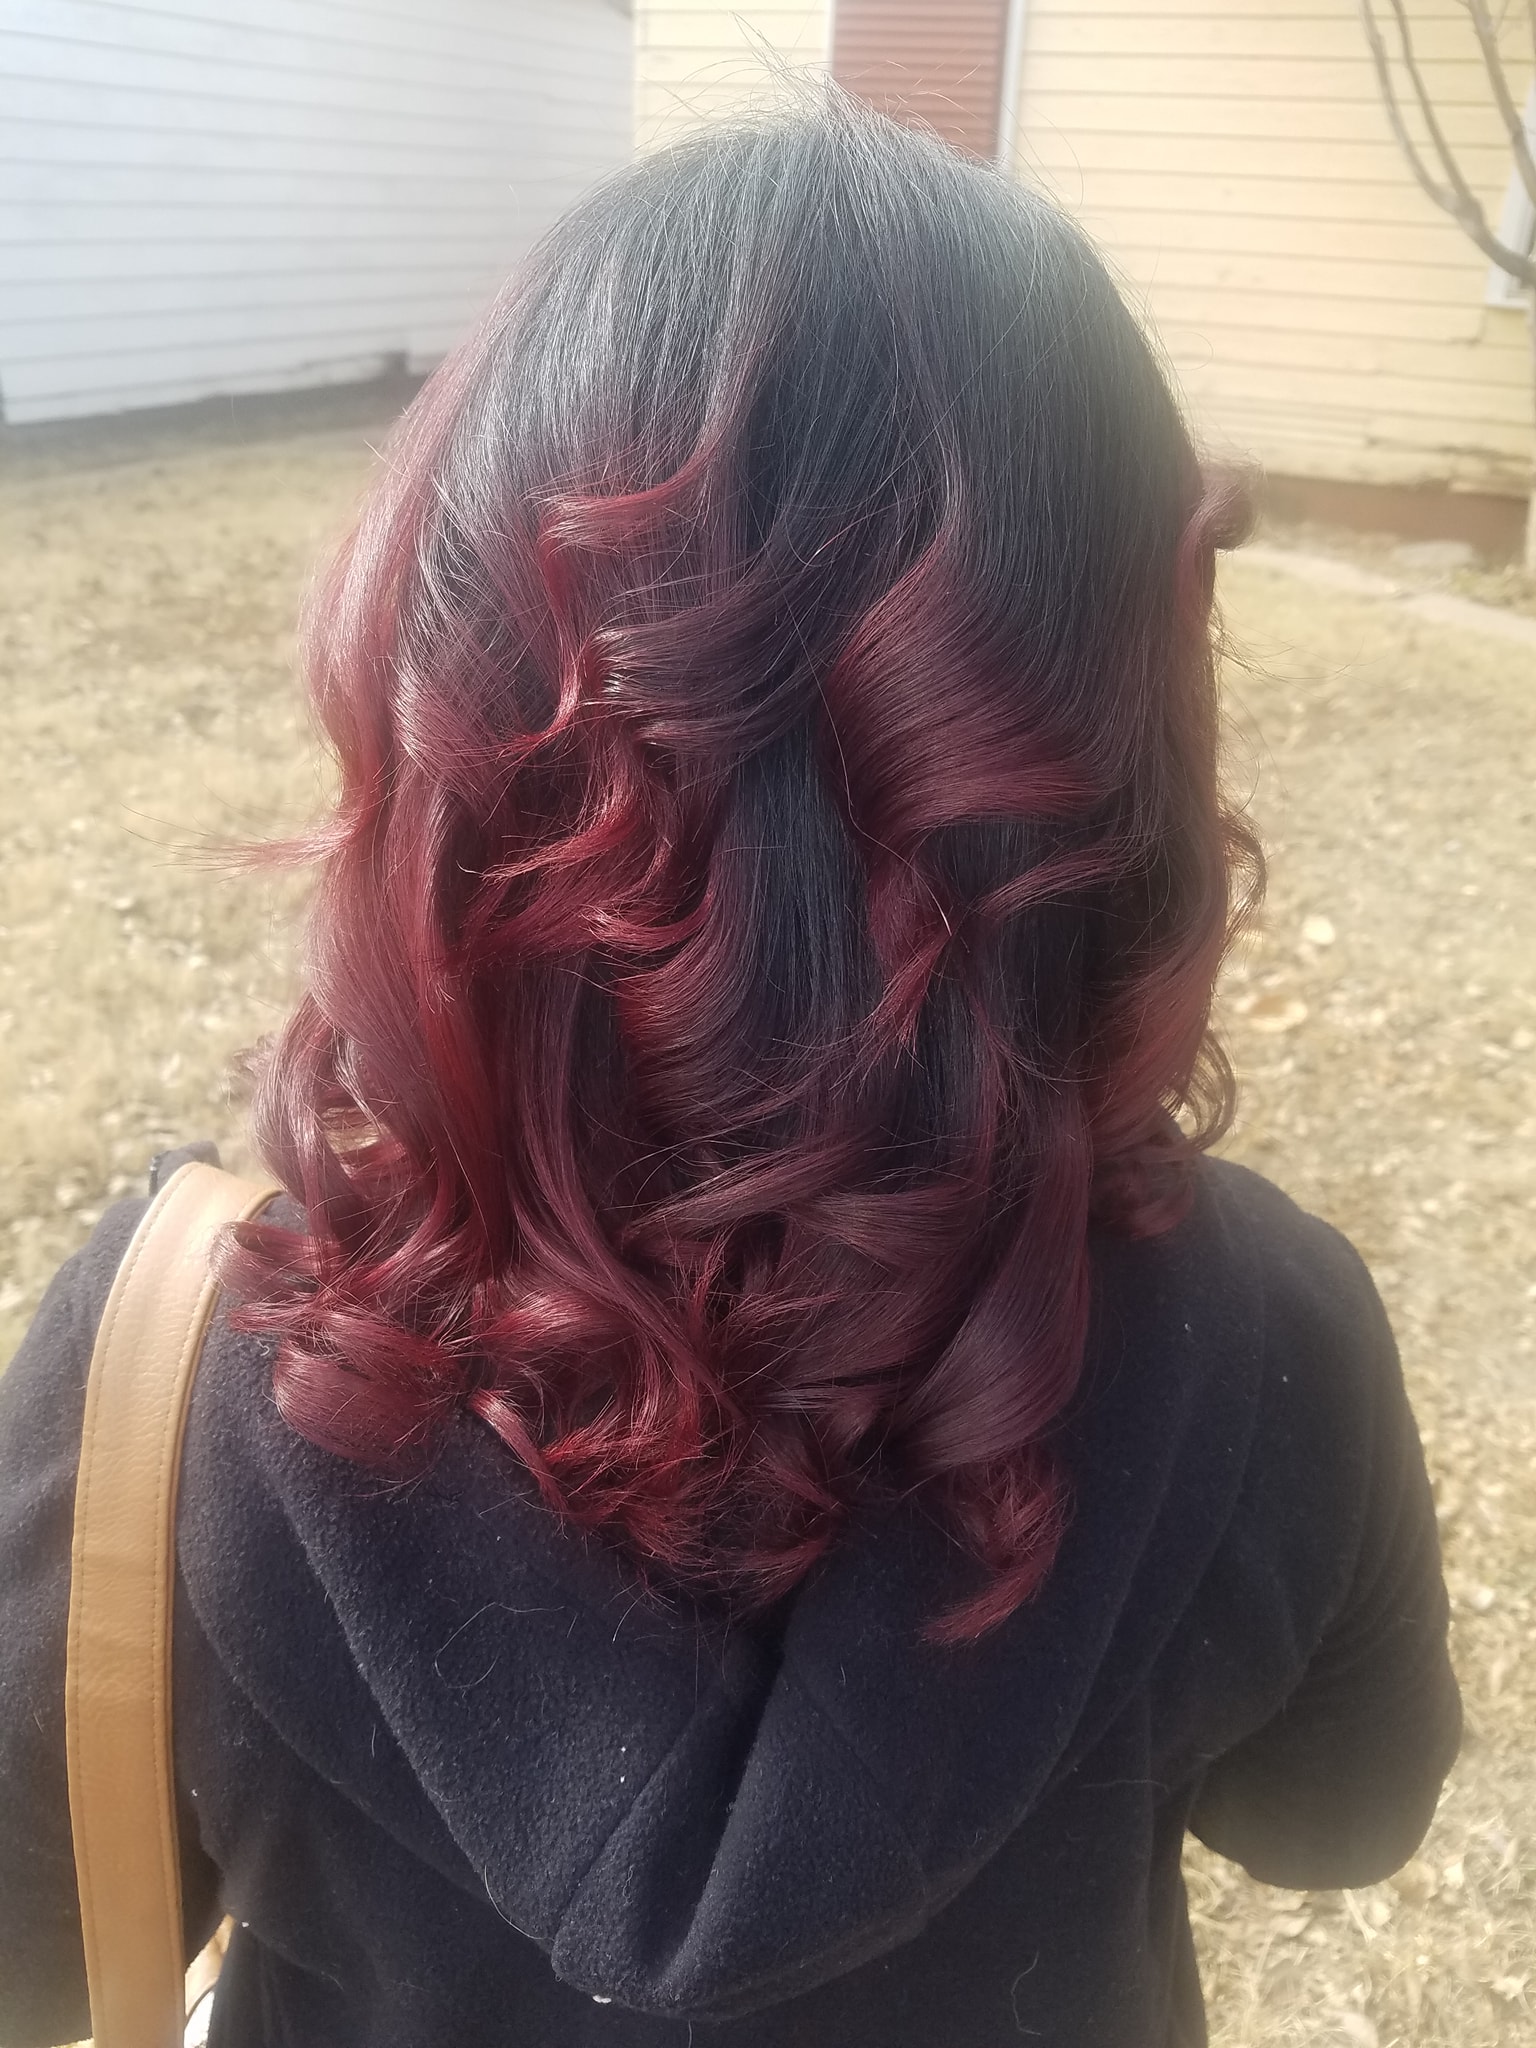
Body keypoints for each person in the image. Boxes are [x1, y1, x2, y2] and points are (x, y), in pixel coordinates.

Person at [0, 96, 1460, 2048]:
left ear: (454, 683)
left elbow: (27, 1940)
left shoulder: (178, 1369)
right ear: (1123, 725)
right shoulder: (1268, 1332)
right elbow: (1336, 1818)